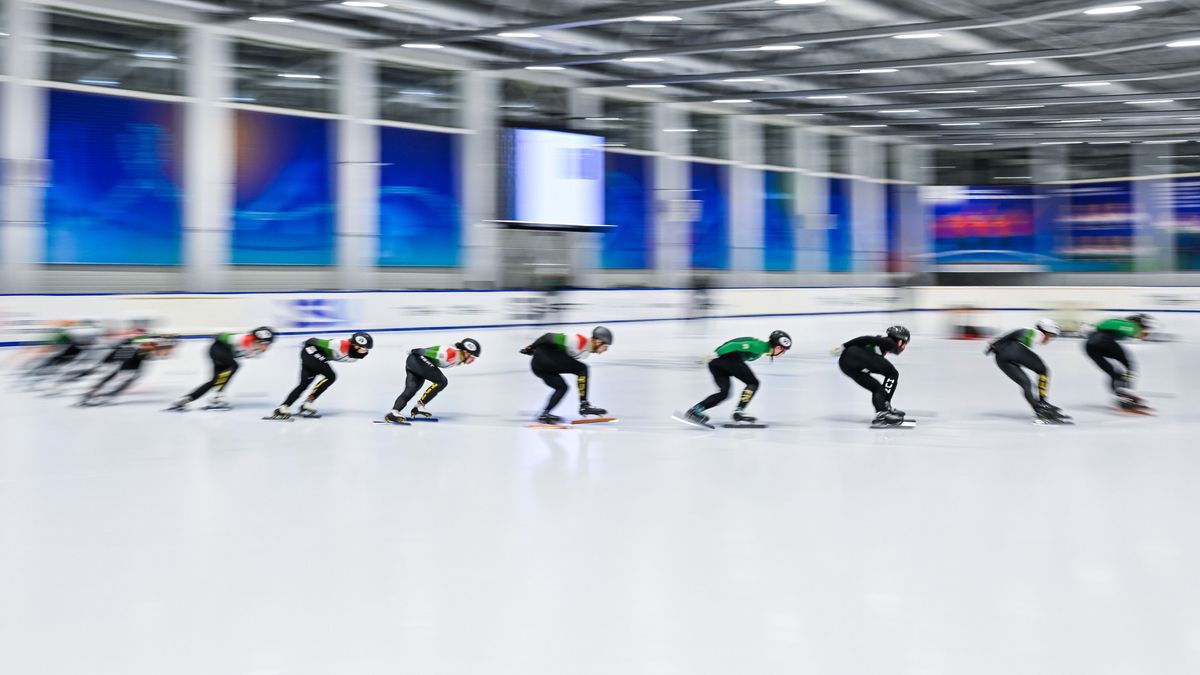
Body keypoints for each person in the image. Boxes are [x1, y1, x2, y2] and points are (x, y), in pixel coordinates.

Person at [680, 330, 792, 426]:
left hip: (716, 363)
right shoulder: (759, 346)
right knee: (753, 383)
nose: (783, 353)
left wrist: (714, 357)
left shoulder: (761, 350)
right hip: (726, 358)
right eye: (784, 350)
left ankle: (694, 411)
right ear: (778, 347)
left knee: (724, 393)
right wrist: (715, 354)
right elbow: (733, 345)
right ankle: (739, 412)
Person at [169, 327, 276, 411]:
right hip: (219, 349)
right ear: (257, 341)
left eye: (269, 344)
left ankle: (186, 399)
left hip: (219, 351)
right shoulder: (246, 340)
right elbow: (222, 336)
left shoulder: (254, 348)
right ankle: (217, 397)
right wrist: (221, 336)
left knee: (215, 381)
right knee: (234, 366)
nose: (267, 347)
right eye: (266, 343)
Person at [520, 327, 612, 424]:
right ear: (598, 342)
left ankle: (545, 413)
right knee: (582, 369)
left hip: (538, 367)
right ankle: (584, 405)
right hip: (544, 357)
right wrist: (531, 347)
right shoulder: (580, 341)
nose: (606, 350)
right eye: (606, 346)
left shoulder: (585, 353)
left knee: (562, 387)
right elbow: (548, 336)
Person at [272, 332, 373, 419]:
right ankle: (308, 403)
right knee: (331, 376)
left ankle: (283, 407)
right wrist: (304, 344)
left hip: (314, 356)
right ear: (356, 346)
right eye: (364, 349)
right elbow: (312, 340)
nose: (365, 352)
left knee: (304, 384)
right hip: (310, 351)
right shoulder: (340, 344)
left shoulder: (353, 359)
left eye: (367, 350)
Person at [985, 318, 1069, 422]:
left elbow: (1014, 333)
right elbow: (1025, 333)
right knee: (1043, 370)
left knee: (1026, 383)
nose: (1049, 339)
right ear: (1046, 331)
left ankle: (1039, 411)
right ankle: (1043, 404)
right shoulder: (1036, 333)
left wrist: (995, 344)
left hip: (1000, 358)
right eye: (1051, 335)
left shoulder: (1028, 331)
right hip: (1014, 350)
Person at [383, 338, 481, 423]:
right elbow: (426, 352)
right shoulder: (450, 354)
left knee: (411, 389)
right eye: (472, 358)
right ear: (466, 352)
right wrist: (413, 351)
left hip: (415, 362)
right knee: (442, 381)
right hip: (417, 359)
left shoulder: (459, 357)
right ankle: (419, 406)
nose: (472, 361)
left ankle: (394, 412)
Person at [836, 325, 910, 425]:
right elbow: (866, 339)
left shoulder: (882, 345)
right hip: (855, 355)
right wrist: (845, 345)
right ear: (899, 340)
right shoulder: (889, 342)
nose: (903, 347)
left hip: (845, 364)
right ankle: (885, 405)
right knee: (892, 373)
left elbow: (867, 342)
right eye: (904, 344)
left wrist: (844, 347)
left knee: (877, 388)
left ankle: (881, 413)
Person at [78, 334, 178, 406]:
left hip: (133, 353)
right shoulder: (156, 343)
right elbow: (148, 350)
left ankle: (97, 390)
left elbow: (150, 352)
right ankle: (100, 391)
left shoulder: (156, 342)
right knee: (124, 374)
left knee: (126, 374)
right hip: (132, 353)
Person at [1085, 313, 1154, 409]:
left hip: (1089, 346)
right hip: (1104, 342)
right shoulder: (1129, 325)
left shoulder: (1118, 323)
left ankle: (1121, 396)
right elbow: (1137, 332)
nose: (1146, 331)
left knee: (1114, 372)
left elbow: (1100, 325)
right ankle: (1127, 393)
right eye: (1145, 328)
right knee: (1129, 365)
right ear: (1138, 323)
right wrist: (1142, 332)